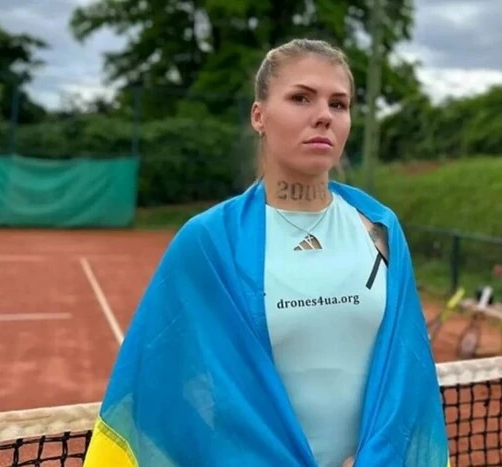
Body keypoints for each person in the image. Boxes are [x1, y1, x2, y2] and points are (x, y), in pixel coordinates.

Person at [84, 38, 449, 467]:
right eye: (301, 98)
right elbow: (162, 378)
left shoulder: (381, 228)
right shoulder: (209, 240)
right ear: (259, 116)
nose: (324, 116)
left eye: (339, 104)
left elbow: (407, 371)